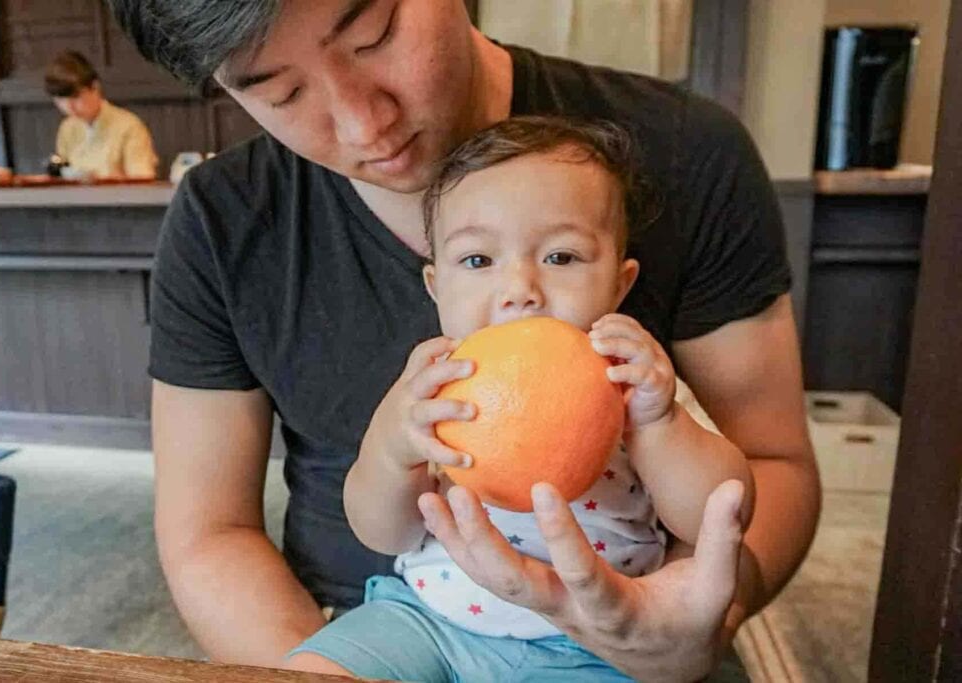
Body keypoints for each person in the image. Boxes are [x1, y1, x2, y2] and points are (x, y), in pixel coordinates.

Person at [108, 1, 820, 680]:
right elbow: (214, 532)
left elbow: (762, 468)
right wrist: (393, 450)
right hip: (401, 619)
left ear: (621, 276)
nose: (364, 126)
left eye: (375, 33)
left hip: (617, 633)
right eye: (279, 91)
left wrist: (699, 611)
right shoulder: (221, 219)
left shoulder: (682, 161)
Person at [283, 116, 757, 681]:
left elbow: (721, 512)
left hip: (595, 643)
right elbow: (383, 531)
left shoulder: (637, 385)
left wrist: (658, 423)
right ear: (437, 287)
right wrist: (393, 451)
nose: (520, 292)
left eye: (560, 257)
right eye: (479, 261)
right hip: (426, 620)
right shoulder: (437, 387)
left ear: (619, 283)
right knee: (315, 670)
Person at [44, 51, 158, 179]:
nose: (69, 107)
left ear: (95, 87)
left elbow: (143, 179)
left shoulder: (129, 126)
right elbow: (63, 176)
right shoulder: (67, 128)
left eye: (75, 97)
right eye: (60, 99)